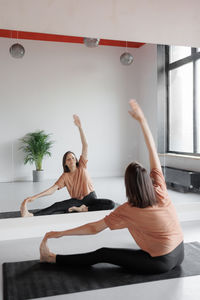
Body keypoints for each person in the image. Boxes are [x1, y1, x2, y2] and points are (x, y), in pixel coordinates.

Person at [39, 100, 184, 274]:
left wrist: (61, 233)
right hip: (180, 252)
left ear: (128, 186)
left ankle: (51, 258)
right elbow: (152, 149)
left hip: (161, 261)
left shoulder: (128, 209)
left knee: (103, 254)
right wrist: (142, 121)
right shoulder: (160, 188)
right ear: (146, 179)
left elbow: (94, 228)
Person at [20, 115, 115, 217]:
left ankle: (83, 209)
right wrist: (35, 197)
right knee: (57, 206)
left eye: (73, 158)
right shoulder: (65, 176)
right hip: (76, 201)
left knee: (111, 204)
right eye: (68, 159)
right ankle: (32, 215)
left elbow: (85, 145)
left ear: (76, 160)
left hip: (91, 198)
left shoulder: (82, 166)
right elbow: (52, 190)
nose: (71, 160)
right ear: (65, 163)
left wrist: (80, 127)